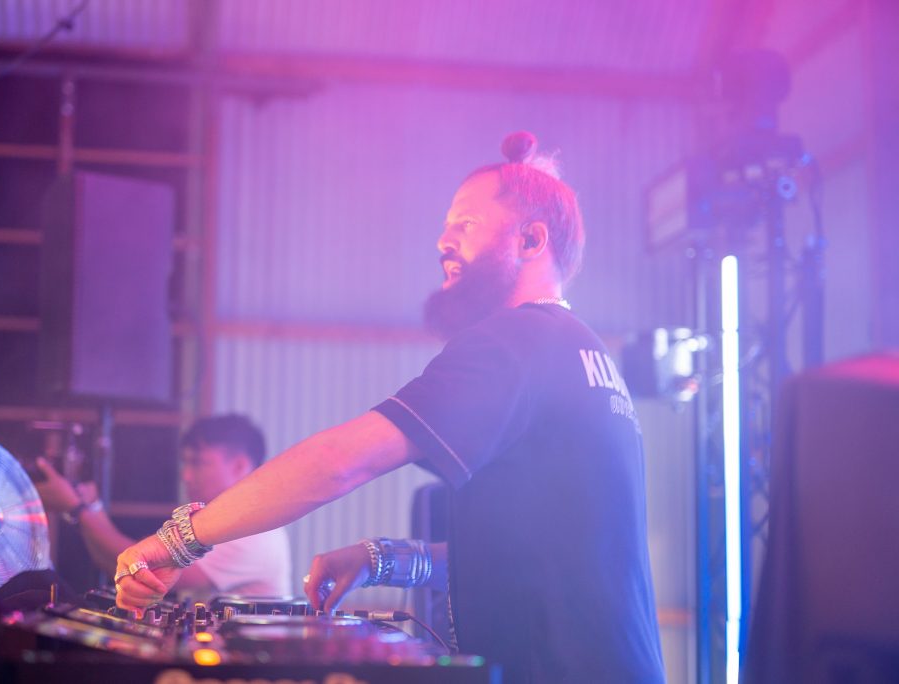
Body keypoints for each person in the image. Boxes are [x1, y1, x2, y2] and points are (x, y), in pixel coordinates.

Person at [113, 132, 666, 683]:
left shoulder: (514, 342)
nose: (443, 240)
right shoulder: (581, 350)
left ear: (531, 239)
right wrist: (381, 559)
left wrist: (178, 541)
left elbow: (340, 461)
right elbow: (537, 555)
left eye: (466, 223)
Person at [36, 414, 291, 598]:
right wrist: (90, 508)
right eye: (185, 463)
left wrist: (77, 509)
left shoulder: (251, 530)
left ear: (239, 465)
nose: (186, 476)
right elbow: (119, 565)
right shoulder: (222, 518)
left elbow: (147, 571)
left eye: (198, 463)